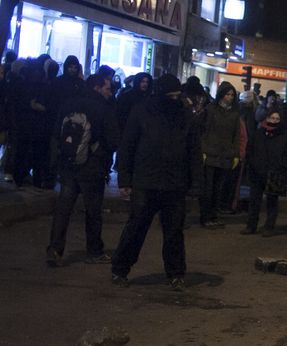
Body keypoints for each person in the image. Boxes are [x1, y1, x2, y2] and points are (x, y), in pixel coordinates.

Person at [110, 74, 202, 290]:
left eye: (177, 95)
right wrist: (124, 178)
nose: (175, 99)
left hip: (174, 183)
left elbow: (194, 151)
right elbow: (128, 146)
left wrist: (196, 182)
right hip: (146, 181)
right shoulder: (142, 112)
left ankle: (176, 273)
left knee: (173, 233)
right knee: (136, 228)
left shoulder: (185, 116)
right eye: (171, 95)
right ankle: (120, 269)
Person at [46, 74, 119, 267]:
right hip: (92, 168)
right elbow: (113, 140)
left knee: (63, 209)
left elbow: (56, 134)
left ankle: (54, 249)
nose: (109, 92)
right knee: (93, 211)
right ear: (97, 88)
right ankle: (94, 251)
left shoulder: (68, 104)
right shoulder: (103, 109)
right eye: (107, 88)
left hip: (69, 166)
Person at [242, 110, 287, 236]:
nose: (274, 121)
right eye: (272, 118)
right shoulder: (259, 133)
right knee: (254, 201)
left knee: (272, 201)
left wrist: (281, 166)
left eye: (277, 119)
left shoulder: (284, 135)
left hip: (274, 173)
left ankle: (269, 227)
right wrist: (253, 163)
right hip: (257, 171)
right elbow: (250, 149)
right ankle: (251, 225)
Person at [197, 81, 240, 227]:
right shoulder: (211, 110)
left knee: (218, 188)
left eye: (232, 95)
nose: (230, 97)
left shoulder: (234, 114)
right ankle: (205, 216)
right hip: (211, 153)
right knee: (208, 188)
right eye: (228, 94)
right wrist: (203, 150)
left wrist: (235, 154)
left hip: (225, 155)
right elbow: (203, 132)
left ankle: (213, 215)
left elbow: (236, 135)